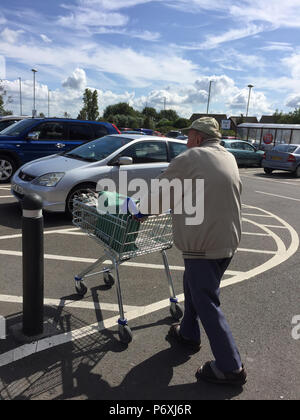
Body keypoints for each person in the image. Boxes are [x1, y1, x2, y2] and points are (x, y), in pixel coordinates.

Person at [142, 117, 247, 386]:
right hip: (226, 241)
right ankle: (188, 333)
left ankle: (230, 367)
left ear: (198, 138)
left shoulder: (192, 157)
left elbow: (159, 195)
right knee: (193, 286)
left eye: (189, 137)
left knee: (206, 301)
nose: (186, 142)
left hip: (204, 244)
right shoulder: (228, 157)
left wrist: (139, 211)